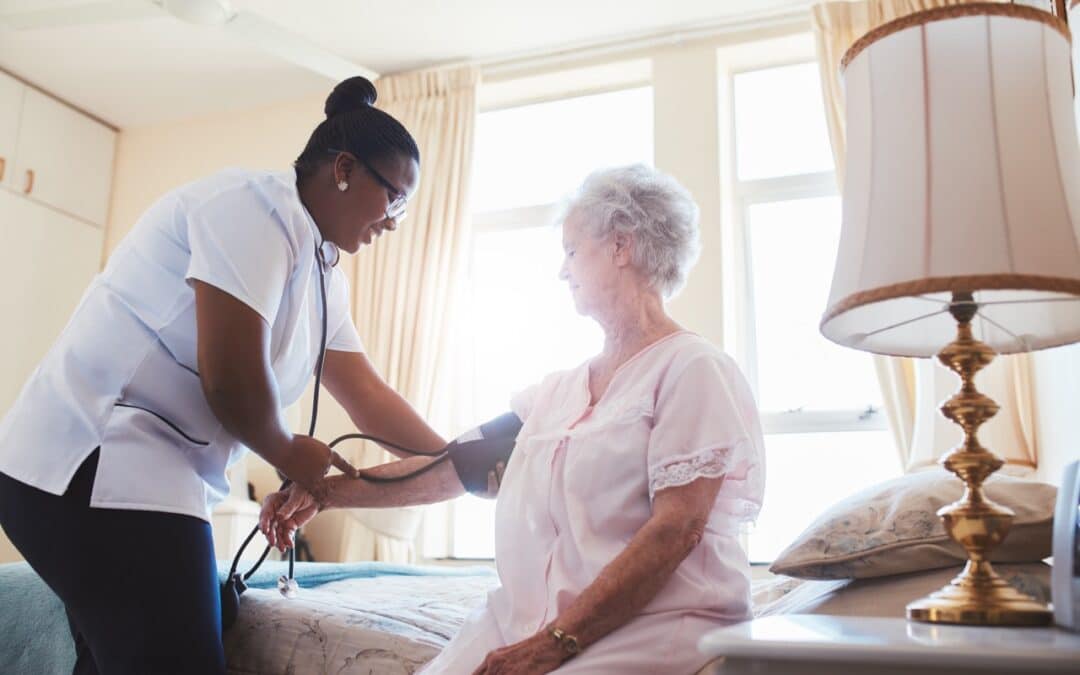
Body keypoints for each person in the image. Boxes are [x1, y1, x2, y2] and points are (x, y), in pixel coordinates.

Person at [0, 76, 448, 675]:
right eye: (394, 198)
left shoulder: (322, 270)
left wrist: (458, 460)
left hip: (146, 476)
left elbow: (366, 394)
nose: (395, 221)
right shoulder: (251, 209)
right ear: (344, 168)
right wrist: (288, 451)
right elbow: (230, 382)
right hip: (91, 463)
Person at [263, 164, 767, 675]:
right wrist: (324, 492)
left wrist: (554, 643)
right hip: (536, 622)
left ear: (621, 247)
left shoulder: (692, 368)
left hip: (652, 626)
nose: (563, 271)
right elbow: (449, 467)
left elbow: (677, 530)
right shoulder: (558, 392)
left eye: (572, 251)